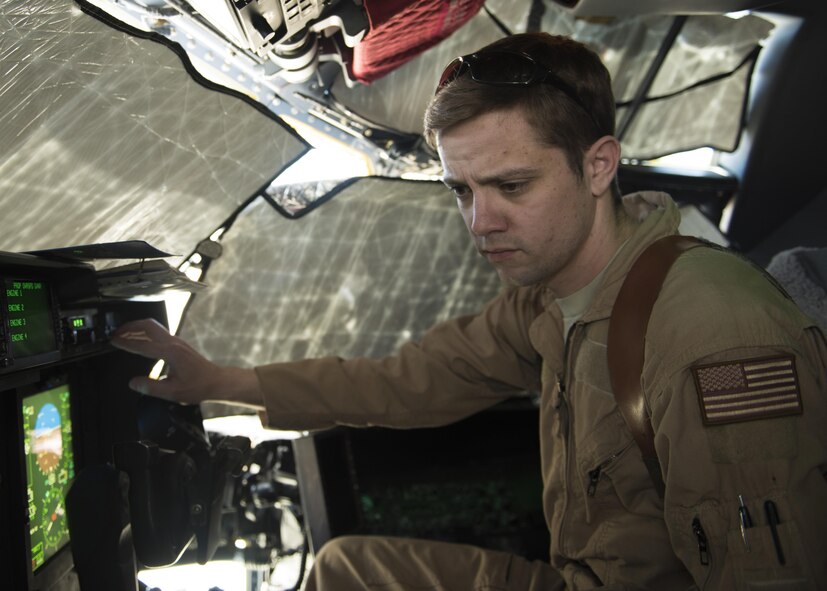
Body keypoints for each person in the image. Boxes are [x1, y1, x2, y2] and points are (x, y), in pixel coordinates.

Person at [112, 33, 827, 590]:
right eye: (461, 190)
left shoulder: (713, 336)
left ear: (598, 164)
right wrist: (219, 382)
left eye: (511, 184)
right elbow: (404, 382)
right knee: (344, 570)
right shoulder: (550, 299)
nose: (480, 221)